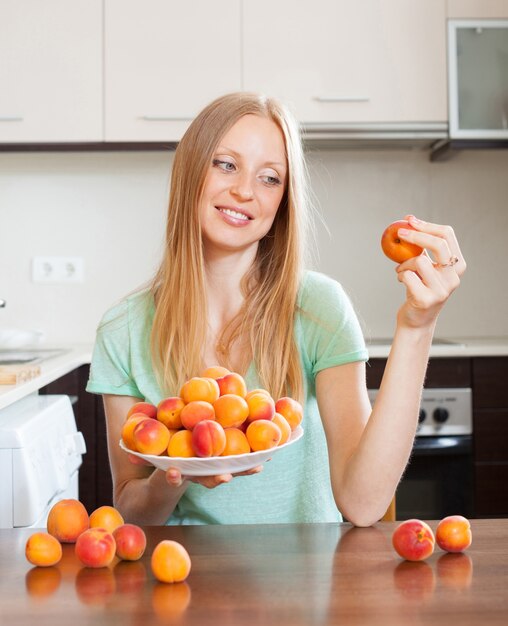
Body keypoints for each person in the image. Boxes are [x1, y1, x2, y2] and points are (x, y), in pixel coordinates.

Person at [86, 92, 466, 527]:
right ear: (190, 170)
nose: (244, 190)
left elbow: (363, 505)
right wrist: (177, 474)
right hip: (185, 579)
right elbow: (131, 510)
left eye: (270, 178)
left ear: (283, 202)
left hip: (309, 582)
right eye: (225, 164)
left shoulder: (319, 308)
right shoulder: (123, 330)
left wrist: (417, 327)